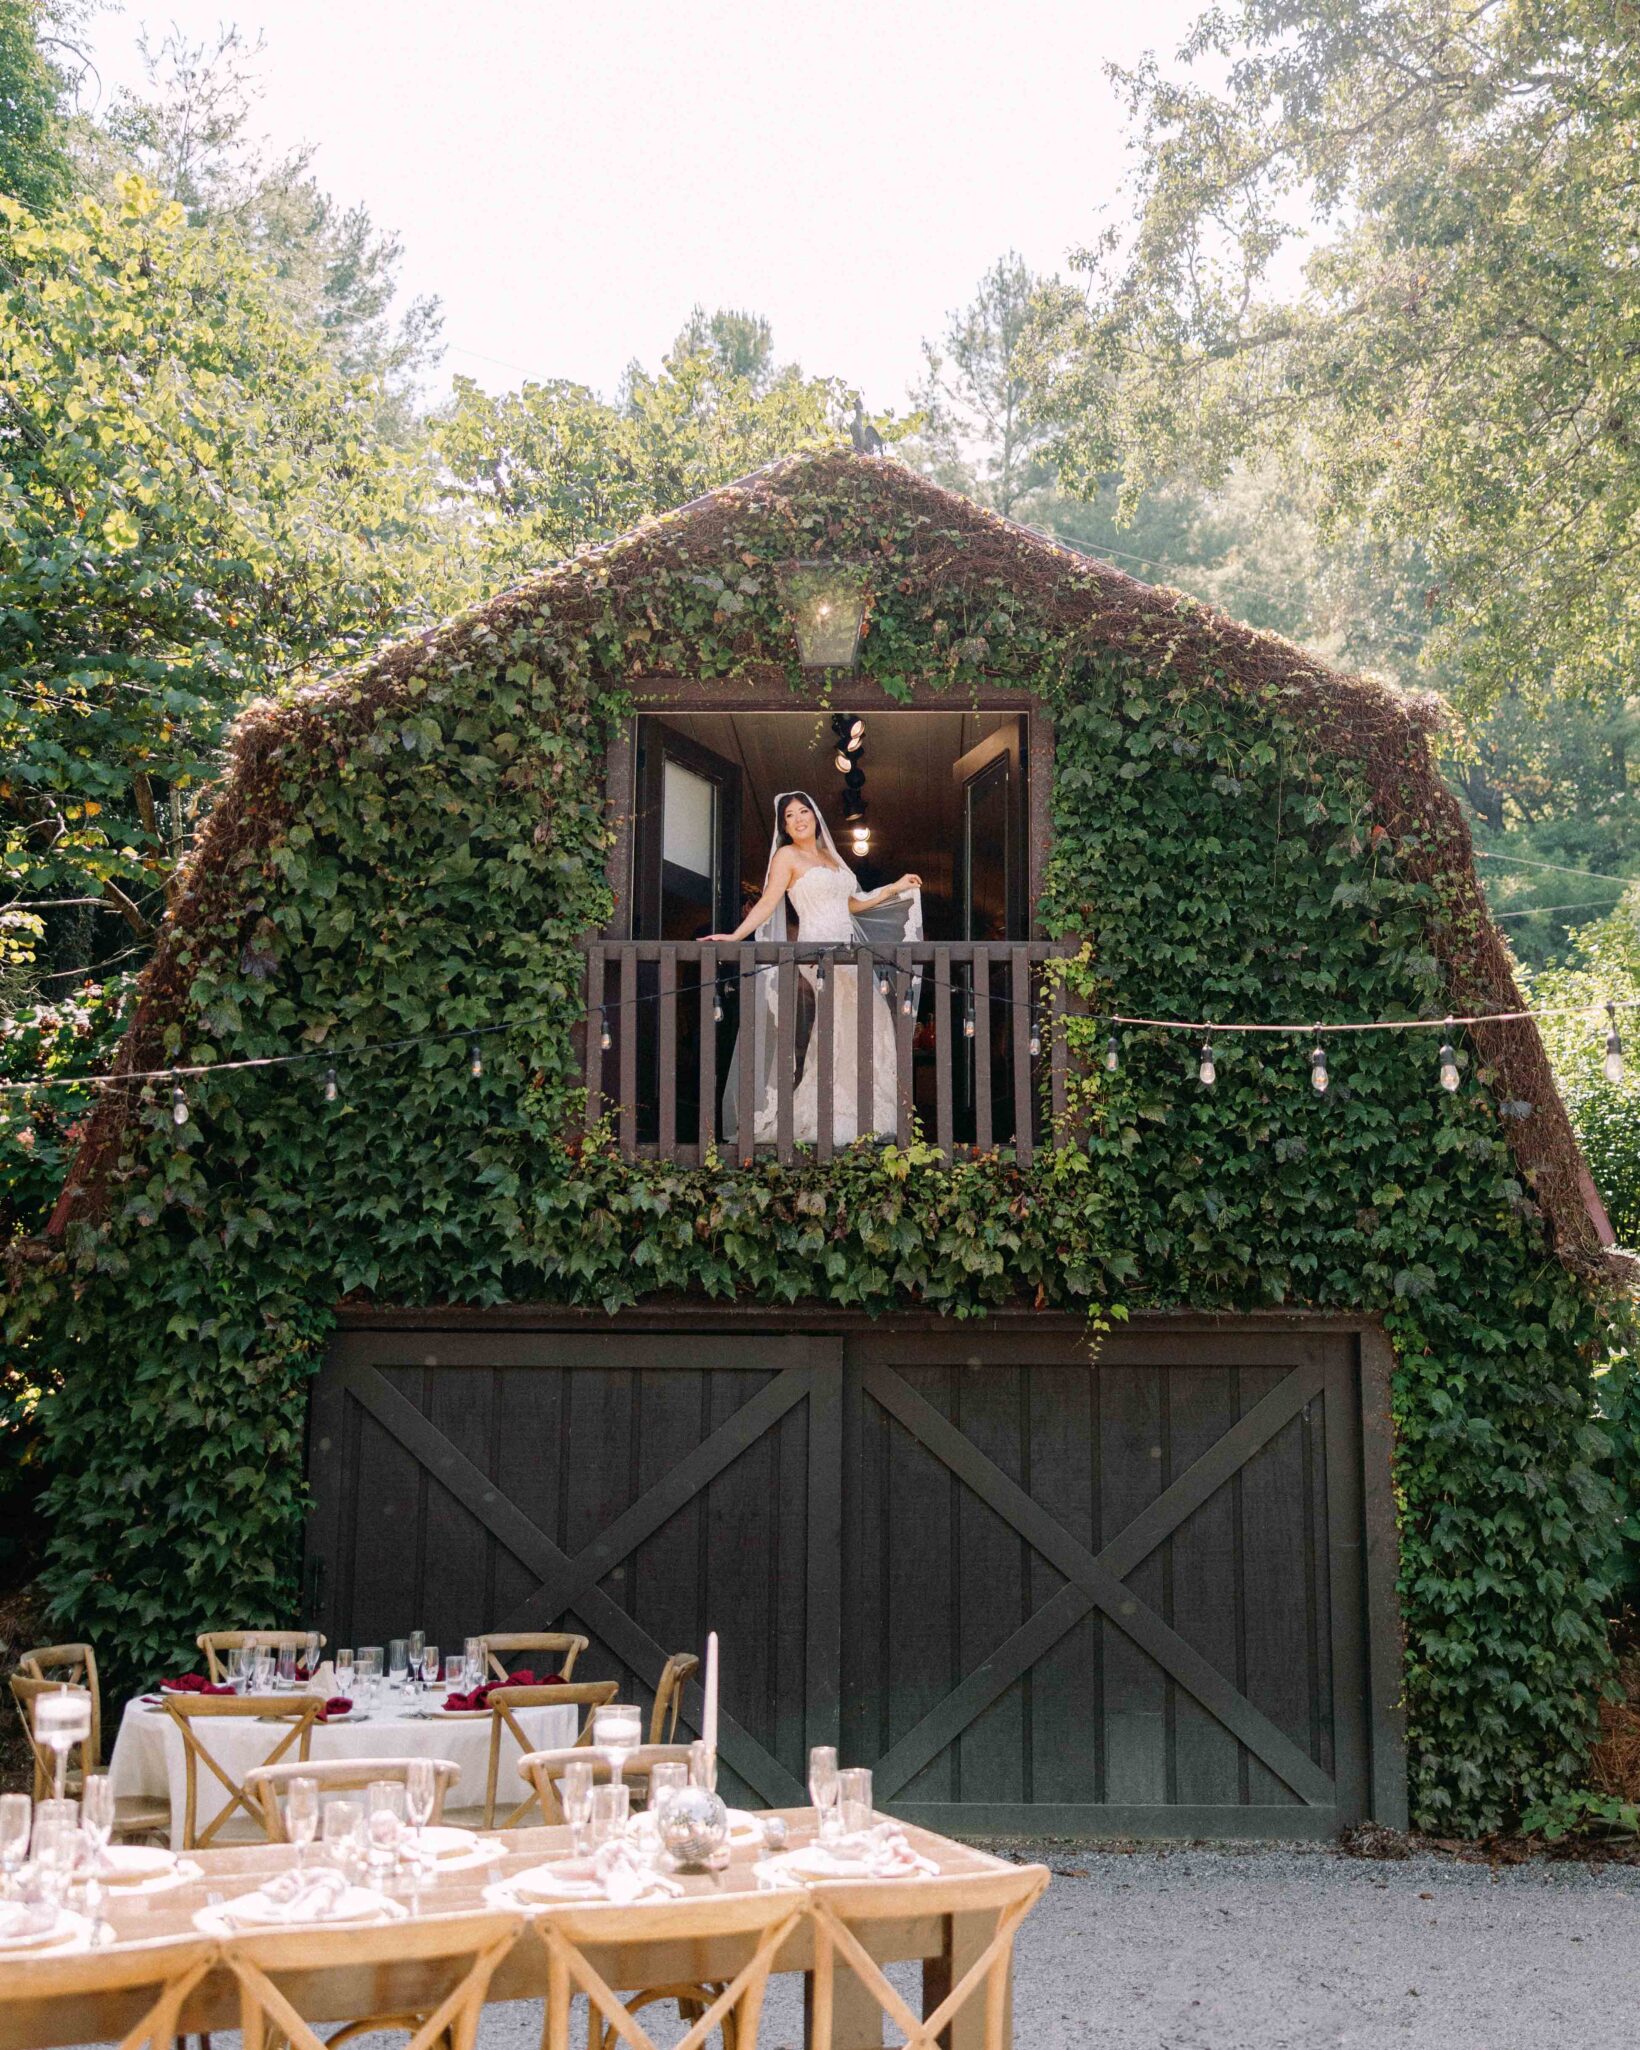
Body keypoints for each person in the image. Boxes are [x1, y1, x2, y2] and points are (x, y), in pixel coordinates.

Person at [707, 791, 921, 1145]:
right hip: (818, 952)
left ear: (815, 816)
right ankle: (834, 1112)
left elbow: (852, 903)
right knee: (842, 1024)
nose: (798, 819)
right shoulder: (786, 856)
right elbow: (767, 902)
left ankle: (866, 1109)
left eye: (803, 811)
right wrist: (735, 936)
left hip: (850, 950)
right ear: (784, 827)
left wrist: (894, 888)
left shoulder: (831, 859)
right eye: (789, 816)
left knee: (872, 1020)